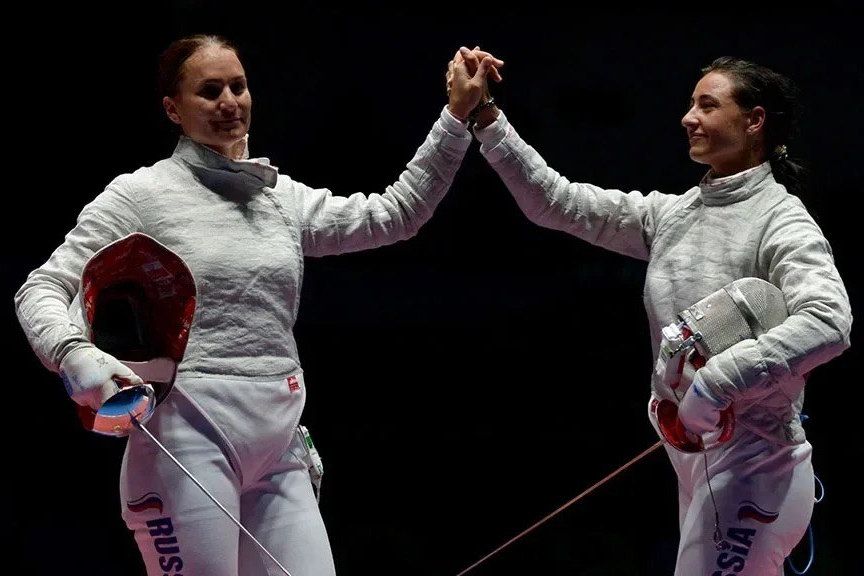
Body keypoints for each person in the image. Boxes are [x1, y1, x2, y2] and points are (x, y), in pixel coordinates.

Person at [14, 35, 502, 576]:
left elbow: (397, 214)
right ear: (173, 109)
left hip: (278, 437)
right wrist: (72, 352)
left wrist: (455, 118)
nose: (229, 102)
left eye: (238, 87)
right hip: (187, 437)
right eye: (209, 91)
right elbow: (42, 287)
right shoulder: (142, 195)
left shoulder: (278, 196)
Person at [455, 47, 852, 575]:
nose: (689, 118)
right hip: (699, 463)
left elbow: (828, 321)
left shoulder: (781, 220)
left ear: (754, 121)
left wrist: (717, 383)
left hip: (757, 465)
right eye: (691, 104)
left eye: (708, 105)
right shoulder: (674, 215)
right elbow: (555, 201)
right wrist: (486, 118)